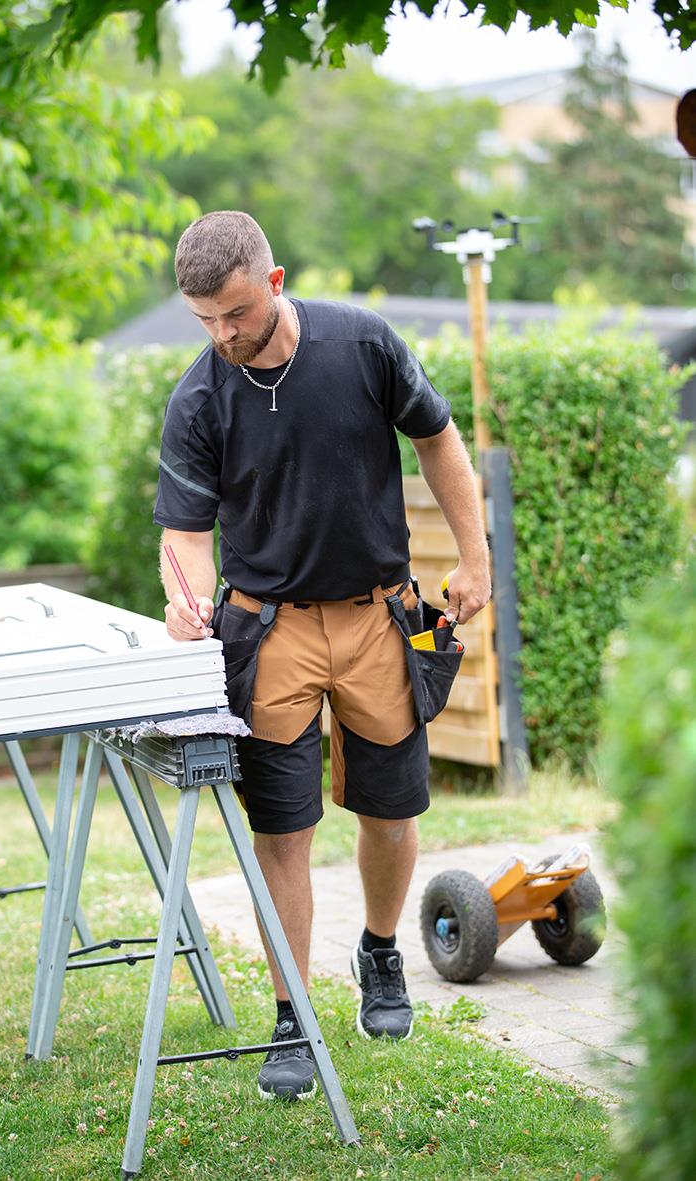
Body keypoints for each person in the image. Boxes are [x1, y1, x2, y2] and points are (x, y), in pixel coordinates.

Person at [155, 210, 491, 1102]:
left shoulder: (362, 345)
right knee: (282, 829)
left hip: (378, 616)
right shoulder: (198, 399)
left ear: (273, 282)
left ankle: (378, 950)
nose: (222, 334)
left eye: (235, 312)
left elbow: (437, 438)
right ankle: (292, 1013)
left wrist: (474, 554)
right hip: (268, 630)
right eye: (204, 319)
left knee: (391, 809)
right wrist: (185, 599)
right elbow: (184, 535)